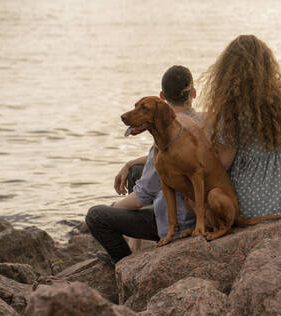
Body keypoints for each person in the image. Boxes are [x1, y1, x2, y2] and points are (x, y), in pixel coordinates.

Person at [199, 35, 281, 254]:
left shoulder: (231, 110)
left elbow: (224, 162)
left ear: (226, 74)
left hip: (252, 199)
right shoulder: (278, 104)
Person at [86, 65, 200, 265]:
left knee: (96, 216)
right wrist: (130, 163)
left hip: (177, 222)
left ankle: (125, 265)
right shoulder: (199, 121)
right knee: (135, 171)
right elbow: (154, 167)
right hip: (195, 210)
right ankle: (134, 246)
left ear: (162, 96)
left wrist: (114, 207)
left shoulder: (170, 135)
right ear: (194, 93)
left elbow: (141, 198)